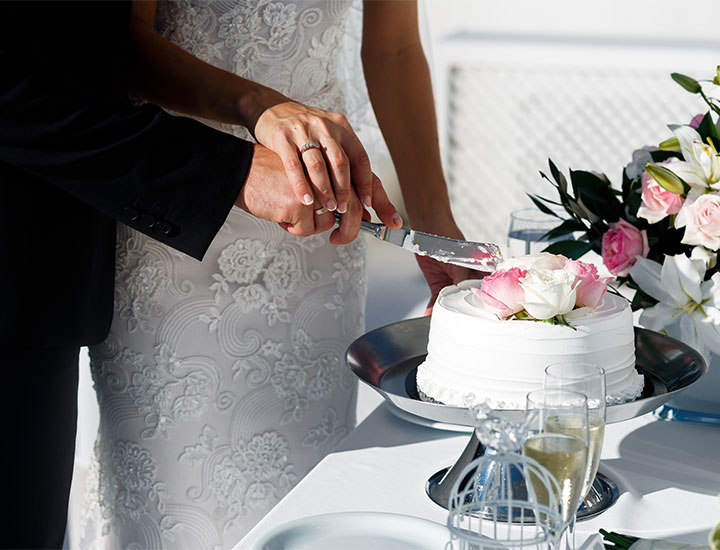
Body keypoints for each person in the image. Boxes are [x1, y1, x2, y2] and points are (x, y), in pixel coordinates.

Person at [79, 0, 474, 548]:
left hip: (322, 229)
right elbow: (120, 43)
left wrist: (432, 220)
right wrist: (259, 107)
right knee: (178, 505)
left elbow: (395, 46)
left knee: (305, 498)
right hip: (180, 213)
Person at [0, 1, 392, 548]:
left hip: (300, 228)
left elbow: (393, 48)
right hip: (165, 226)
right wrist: (238, 154)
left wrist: (432, 220)